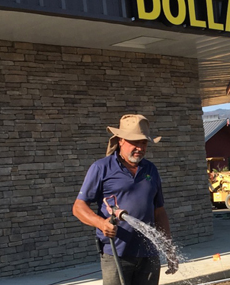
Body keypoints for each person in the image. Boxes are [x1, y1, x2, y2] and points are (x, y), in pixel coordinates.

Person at [73, 114, 178, 285]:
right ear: (120, 140)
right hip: (117, 254)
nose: (139, 147)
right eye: (134, 142)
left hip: (149, 254)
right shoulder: (101, 168)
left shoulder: (151, 169)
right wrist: (101, 224)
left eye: (143, 142)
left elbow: (159, 211)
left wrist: (169, 248)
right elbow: (78, 207)